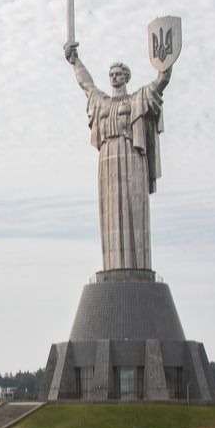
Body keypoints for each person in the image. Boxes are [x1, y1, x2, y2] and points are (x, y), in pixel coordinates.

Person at [64, 41, 172, 271]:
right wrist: (75, 61)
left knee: (133, 208)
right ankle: (113, 268)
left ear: (126, 77)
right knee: (111, 212)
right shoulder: (101, 102)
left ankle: (137, 267)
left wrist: (165, 64)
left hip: (132, 155)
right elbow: (86, 84)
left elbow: (160, 83)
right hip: (108, 158)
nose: (114, 77)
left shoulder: (137, 100)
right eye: (112, 74)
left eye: (119, 74)